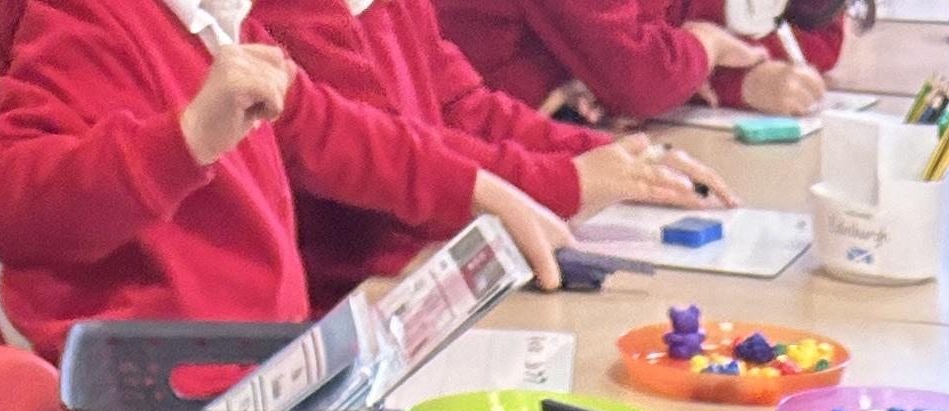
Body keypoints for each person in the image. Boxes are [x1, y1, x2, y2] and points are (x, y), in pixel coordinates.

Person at [0, 0, 571, 361]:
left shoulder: (220, 20)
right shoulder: (86, 16)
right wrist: (186, 140)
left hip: (258, 379)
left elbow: (332, 130)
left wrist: (478, 189)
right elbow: (5, 202)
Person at [249, 0, 727, 311]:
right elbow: (384, 164)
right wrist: (564, 181)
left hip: (416, 267)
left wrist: (611, 158)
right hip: (362, 293)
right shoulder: (288, 14)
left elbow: (464, 106)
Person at [440, 0, 844, 126]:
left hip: (539, 138)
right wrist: (707, 49)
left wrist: (724, 73)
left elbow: (820, 38)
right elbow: (641, 77)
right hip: (475, 152)